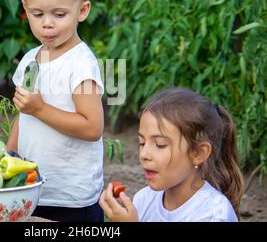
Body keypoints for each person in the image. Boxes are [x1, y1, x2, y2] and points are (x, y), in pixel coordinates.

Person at [7, 0, 105, 222]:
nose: (47, 24)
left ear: (82, 10)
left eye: (59, 14)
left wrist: (40, 109)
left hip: (71, 198)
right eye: (37, 14)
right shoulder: (29, 60)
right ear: (26, 9)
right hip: (31, 187)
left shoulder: (81, 64)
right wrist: (7, 156)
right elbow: (23, 113)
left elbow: (92, 127)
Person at [99, 87, 244, 222]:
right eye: (142, 143)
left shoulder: (214, 215)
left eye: (160, 144)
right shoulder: (144, 199)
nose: (144, 154)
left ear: (198, 153)